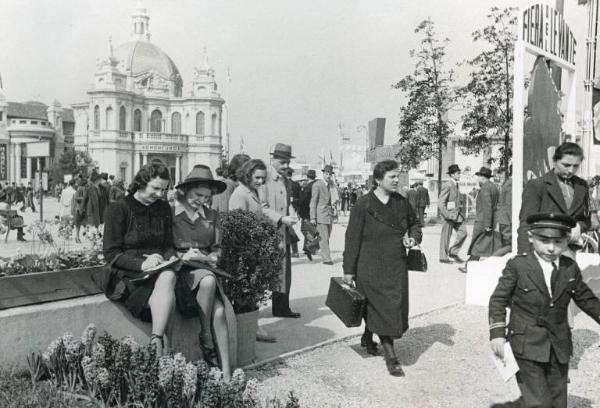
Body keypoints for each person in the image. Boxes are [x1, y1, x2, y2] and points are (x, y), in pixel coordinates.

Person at [489, 213, 600, 408]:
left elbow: (587, 299)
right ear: (531, 237)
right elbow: (498, 300)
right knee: (538, 402)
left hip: (559, 346)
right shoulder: (518, 265)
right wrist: (497, 333)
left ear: (567, 241)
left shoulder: (569, 267)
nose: (551, 247)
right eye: (544, 240)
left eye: (558, 241)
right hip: (526, 343)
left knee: (558, 400)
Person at [343, 160, 422, 376]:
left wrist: (412, 240)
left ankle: (368, 336)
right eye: (392, 177)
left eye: (398, 176)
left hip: (396, 263)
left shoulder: (401, 202)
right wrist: (348, 270)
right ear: (378, 179)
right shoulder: (363, 204)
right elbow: (352, 238)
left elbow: (415, 225)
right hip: (369, 265)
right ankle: (391, 355)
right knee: (379, 304)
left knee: (391, 305)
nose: (397, 180)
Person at [102, 163, 178, 356]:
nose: (160, 194)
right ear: (141, 183)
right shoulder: (119, 208)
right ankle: (163, 348)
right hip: (130, 273)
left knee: (168, 276)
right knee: (170, 293)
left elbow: (168, 244)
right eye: (156, 188)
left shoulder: (163, 208)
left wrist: (171, 258)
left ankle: (157, 342)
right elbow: (111, 254)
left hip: (160, 269)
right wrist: (142, 264)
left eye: (164, 189)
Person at [172, 165, 237, 380]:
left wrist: (214, 256)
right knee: (209, 282)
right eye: (197, 195)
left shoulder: (213, 215)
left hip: (206, 267)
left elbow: (217, 247)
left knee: (219, 312)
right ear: (185, 190)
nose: (201, 200)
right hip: (181, 271)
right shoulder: (171, 213)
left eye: (206, 197)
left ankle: (226, 374)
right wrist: (182, 256)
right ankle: (206, 334)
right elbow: (162, 246)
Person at [229, 158, 295, 342]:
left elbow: (263, 211)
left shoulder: (251, 192)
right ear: (247, 174)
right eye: (257, 177)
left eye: (262, 179)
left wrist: (281, 219)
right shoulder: (240, 194)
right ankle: (247, 332)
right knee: (245, 294)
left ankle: (251, 329)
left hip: (254, 249)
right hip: (245, 250)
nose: (260, 182)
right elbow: (238, 225)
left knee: (251, 294)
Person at [517, 142, 590, 255]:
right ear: (554, 161)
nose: (571, 170)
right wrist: (524, 255)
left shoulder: (582, 186)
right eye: (566, 165)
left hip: (569, 252)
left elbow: (587, 220)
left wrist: (579, 226)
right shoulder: (537, 185)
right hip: (542, 251)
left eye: (576, 166)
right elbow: (526, 224)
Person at [261, 143, 300, 318]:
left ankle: (281, 307)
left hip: (283, 232)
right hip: (269, 231)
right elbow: (261, 207)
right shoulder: (264, 179)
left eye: (287, 163)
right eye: (282, 162)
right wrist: (280, 218)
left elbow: (287, 203)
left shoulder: (286, 180)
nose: (286, 166)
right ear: (273, 159)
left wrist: (290, 215)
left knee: (284, 272)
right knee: (265, 271)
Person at [467, 167, 500, 261]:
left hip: (483, 220)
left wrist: (487, 224)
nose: (477, 179)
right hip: (490, 219)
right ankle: (470, 263)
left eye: (478, 176)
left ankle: (470, 265)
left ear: (482, 177)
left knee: (477, 242)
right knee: (483, 243)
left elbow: (487, 207)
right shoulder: (494, 187)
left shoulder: (485, 188)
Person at [438, 164, 467, 264]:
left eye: (459, 173)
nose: (459, 175)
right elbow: (441, 202)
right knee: (446, 236)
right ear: (452, 174)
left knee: (463, 233)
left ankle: (453, 252)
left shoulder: (456, 184)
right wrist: (446, 215)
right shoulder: (448, 184)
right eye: (458, 173)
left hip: (457, 215)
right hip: (449, 215)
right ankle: (443, 257)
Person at [310, 164, 336, 265]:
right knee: (324, 237)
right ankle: (326, 259)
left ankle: (312, 245)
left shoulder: (331, 185)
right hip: (320, 214)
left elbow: (334, 199)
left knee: (327, 236)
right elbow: (313, 202)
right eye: (326, 174)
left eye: (330, 174)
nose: (328, 176)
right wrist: (313, 217)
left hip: (329, 215)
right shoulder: (317, 185)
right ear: (323, 174)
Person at [297, 169, 318, 260]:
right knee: (308, 229)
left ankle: (312, 244)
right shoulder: (316, 186)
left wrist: (299, 211)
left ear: (307, 177)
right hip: (315, 212)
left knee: (304, 229)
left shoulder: (307, 188)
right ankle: (307, 247)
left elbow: (302, 201)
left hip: (307, 212)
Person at [495, 166, 512, 253]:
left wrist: (509, 219)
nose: (500, 176)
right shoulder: (506, 183)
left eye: (501, 173)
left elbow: (508, 203)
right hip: (504, 218)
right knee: (504, 240)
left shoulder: (510, 183)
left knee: (507, 241)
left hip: (506, 218)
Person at [74, 177, 88, 243]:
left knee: (82, 224)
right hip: (79, 208)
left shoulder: (84, 188)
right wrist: (84, 198)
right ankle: (77, 237)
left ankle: (78, 237)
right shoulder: (80, 188)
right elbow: (76, 197)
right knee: (78, 224)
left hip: (84, 209)